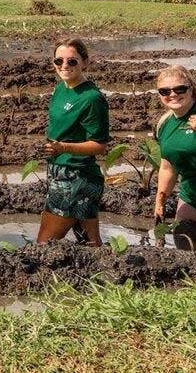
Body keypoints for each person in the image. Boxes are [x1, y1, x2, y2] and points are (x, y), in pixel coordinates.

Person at [37, 38, 110, 246]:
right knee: (90, 243)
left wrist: (64, 148)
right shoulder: (61, 88)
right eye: (58, 61)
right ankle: (104, 277)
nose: (64, 66)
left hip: (76, 177)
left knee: (44, 245)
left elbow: (100, 145)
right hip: (60, 171)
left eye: (72, 61)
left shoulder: (91, 98)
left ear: (85, 62)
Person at [152, 65, 196, 250]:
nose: (173, 94)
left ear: (191, 88)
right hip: (193, 195)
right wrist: (160, 201)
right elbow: (167, 167)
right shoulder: (165, 124)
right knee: (185, 247)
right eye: (165, 91)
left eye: (180, 89)